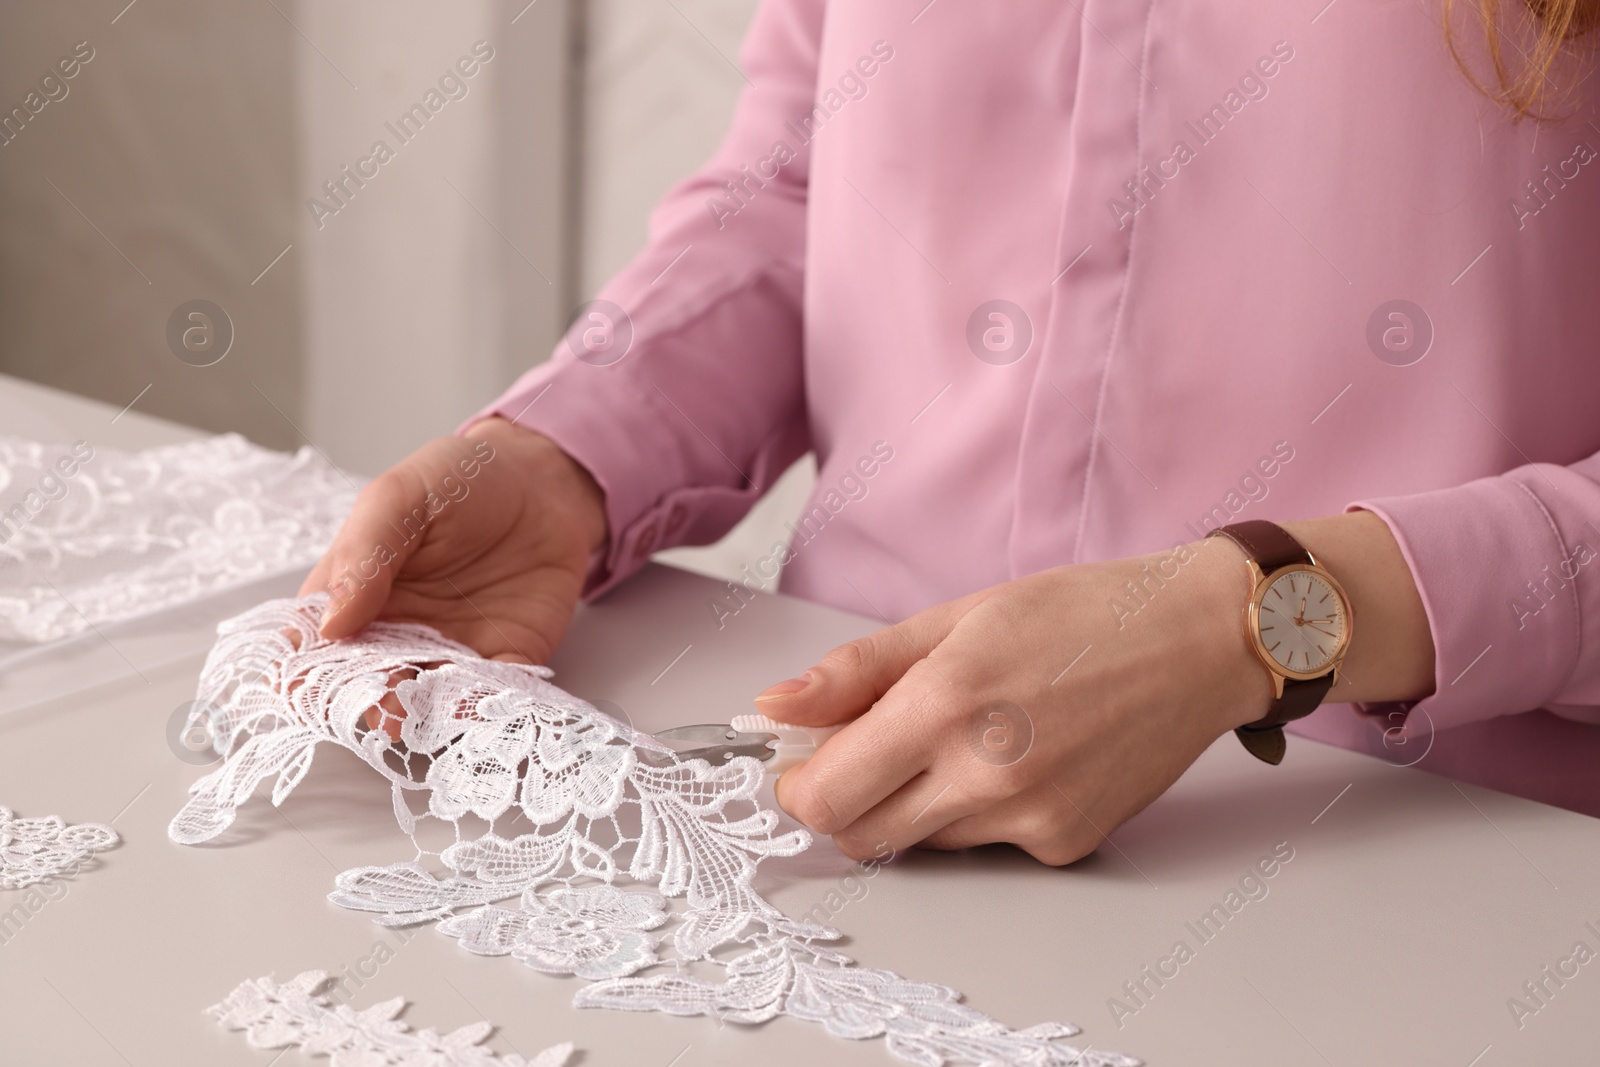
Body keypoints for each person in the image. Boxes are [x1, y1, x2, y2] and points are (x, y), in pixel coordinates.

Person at [302, 0, 1600, 864]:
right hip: (840, 795)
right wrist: (567, 453)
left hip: (1416, 862)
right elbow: (799, 191)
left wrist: (1251, 627)